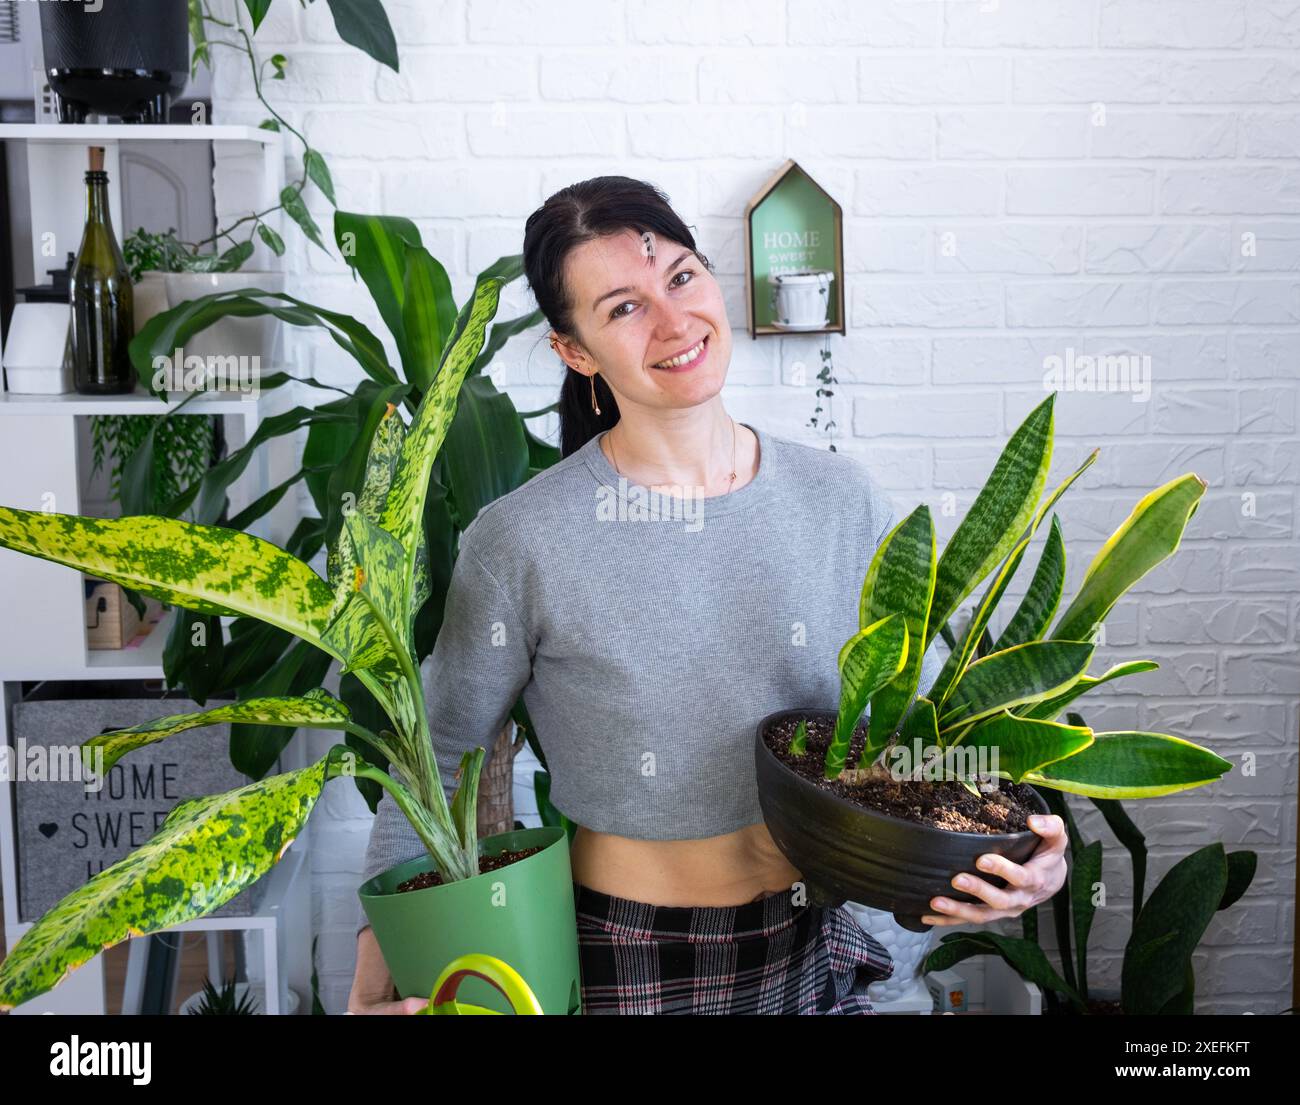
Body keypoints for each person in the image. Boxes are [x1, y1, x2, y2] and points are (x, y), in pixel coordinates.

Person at [347, 176, 1069, 1015]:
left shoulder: (843, 499)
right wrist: (375, 977)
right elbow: (437, 750)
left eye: (682, 277)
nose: (673, 320)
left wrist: (1025, 852)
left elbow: (936, 730)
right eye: (622, 308)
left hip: (823, 946)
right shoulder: (523, 539)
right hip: (628, 957)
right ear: (574, 351)